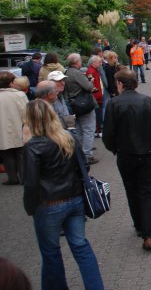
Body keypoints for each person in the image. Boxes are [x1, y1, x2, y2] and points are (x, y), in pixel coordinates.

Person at [22, 99, 104, 290]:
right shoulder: (67, 138)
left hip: (49, 205)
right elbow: (83, 166)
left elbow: (31, 182)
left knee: (51, 252)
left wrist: (30, 206)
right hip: (75, 200)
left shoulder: (33, 146)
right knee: (81, 246)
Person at [103, 69, 151, 251]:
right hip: (147, 154)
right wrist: (148, 139)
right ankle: (148, 234)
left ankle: (139, 225)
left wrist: (116, 148)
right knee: (146, 192)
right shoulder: (147, 101)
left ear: (120, 84)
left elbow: (108, 135)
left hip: (126, 155)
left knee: (132, 191)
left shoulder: (113, 104)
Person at [64, 53, 99, 165]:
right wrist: (91, 82)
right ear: (76, 62)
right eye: (80, 61)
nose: (81, 63)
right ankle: (87, 155)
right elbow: (88, 87)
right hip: (83, 104)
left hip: (73, 104)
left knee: (79, 129)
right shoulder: (76, 73)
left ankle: (79, 153)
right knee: (89, 129)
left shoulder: (66, 72)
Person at [0, 71, 29, 185]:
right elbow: (26, 113)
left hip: (2, 131)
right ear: (11, 83)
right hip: (19, 129)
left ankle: (12, 178)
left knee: (7, 155)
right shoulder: (19, 95)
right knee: (20, 154)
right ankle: (24, 177)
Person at [86, 55, 105, 137]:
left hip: (98, 97)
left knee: (99, 114)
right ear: (94, 62)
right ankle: (97, 131)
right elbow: (91, 84)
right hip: (96, 98)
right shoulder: (90, 71)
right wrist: (96, 95)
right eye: (99, 62)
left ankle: (99, 130)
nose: (101, 64)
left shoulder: (94, 70)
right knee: (97, 115)